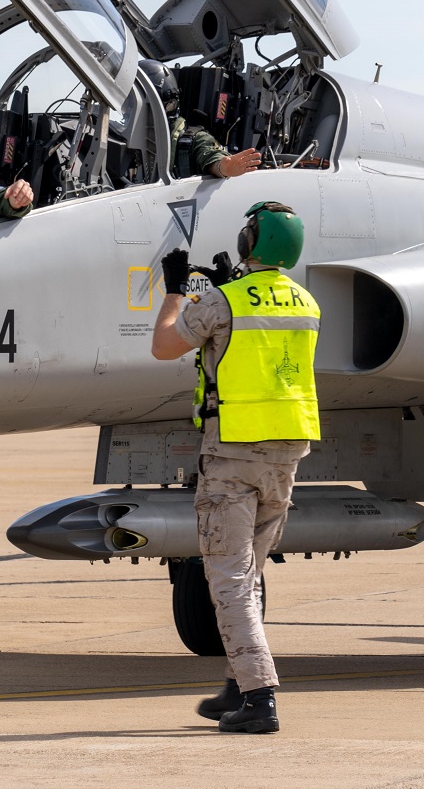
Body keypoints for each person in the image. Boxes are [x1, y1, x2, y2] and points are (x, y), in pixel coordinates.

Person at [150, 201, 321, 734]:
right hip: (286, 454)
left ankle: (259, 697)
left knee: (227, 580)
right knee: (246, 576)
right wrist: (231, 286)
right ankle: (236, 681)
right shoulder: (306, 301)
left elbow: (163, 345)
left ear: (253, 241)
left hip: (233, 457)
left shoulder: (223, 303)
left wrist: (176, 289)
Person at [140, 60, 260, 180]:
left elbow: (210, 156)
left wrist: (223, 167)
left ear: (170, 103)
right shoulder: (129, 139)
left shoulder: (195, 139)